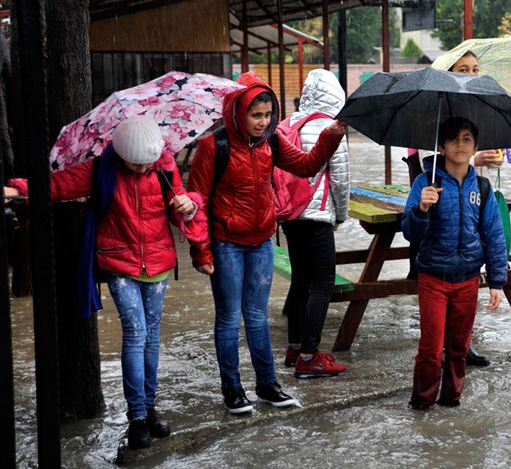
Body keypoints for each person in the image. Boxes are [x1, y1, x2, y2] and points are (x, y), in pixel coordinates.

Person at [5, 116, 207, 450]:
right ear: (120, 153)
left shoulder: (164, 168)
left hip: (157, 263)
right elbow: (56, 185)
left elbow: (181, 208)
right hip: (118, 262)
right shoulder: (100, 169)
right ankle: (138, 416)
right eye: (134, 164)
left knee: (153, 336)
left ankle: (151, 405)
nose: (142, 170)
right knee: (136, 332)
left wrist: (189, 204)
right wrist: (16, 190)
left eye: (147, 164)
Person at [187, 73, 346, 415]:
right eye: (255, 116)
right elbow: (197, 199)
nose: (262, 122)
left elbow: (306, 166)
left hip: (261, 241)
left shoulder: (271, 142)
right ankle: (232, 390)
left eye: (267, 116)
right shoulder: (213, 146)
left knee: (257, 317)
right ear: (237, 112)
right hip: (226, 244)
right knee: (229, 318)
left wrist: (330, 137)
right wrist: (201, 249)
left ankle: (267, 385)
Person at [402, 117, 508, 410]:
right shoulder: (426, 182)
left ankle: (451, 401)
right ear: (442, 145)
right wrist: (422, 208)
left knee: (459, 348)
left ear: (475, 145)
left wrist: (497, 281)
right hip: (433, 277)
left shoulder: (483, 188)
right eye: (454, 139)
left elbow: (493, 234)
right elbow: (410, 232)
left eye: (467, 139)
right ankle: (422, 403)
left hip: (468, 279)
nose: (460, 145)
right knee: (431, 349)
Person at [404, 49, 501, 367]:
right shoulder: (432, 112)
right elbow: (424, 163)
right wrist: (471, 158)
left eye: (476, 69)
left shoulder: (483, 108)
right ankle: (438, 352)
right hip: (439, 204)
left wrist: (491, 161)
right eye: (464, 68)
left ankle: (461, 344)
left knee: (469, 264)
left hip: (474, 197)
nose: (472, 75)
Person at [279, 70, 350, 378]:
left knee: (300, 280)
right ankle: (310, 356)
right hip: (317, 215)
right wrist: (341, 215)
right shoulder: (331, 128)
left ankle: (295, 347)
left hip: (289, 215)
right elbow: (341, 180)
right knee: (322, 283)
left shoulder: (287, 123)